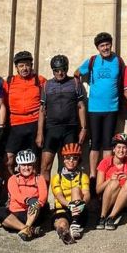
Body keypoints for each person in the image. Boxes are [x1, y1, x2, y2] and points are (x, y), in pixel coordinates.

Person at [76, 32, 125, 180]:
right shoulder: (92, 61)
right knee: (95, 143)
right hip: (94, 109)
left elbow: (124, 80)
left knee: (108, 144)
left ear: (111, 44)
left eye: (107, 44)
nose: (105, 48)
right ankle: (93, 175)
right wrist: (79, 92)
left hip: (112, 108)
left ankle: (105, 175)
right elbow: (77, 73)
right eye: (102, 46)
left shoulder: (118, 60)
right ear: (98, 48)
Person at [38, 54, 87, 184]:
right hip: (51, 130)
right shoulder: (46, 85)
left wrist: (83, 129)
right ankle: (43, 201)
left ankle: (69, 201)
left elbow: (81, 107)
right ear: (52, 70)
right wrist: (40, 133)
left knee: (71, 166)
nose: (60, 73)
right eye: (57, 70)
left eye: (63, 70)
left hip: (70, 129)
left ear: (67, 68)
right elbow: (42, 111)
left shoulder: (75, 83)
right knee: (45, 166)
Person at [3, 50, 47, 172]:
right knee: (9, 159)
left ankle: (34, 187)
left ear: (31, 66)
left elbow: (45, 104)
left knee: (34, 160)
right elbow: (2, 103)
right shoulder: (9, 81)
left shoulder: (40, 80)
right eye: (21, 65)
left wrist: (40, 132)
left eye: (27, 65)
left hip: (34, 123)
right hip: (15, 124)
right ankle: (12, 187)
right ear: (16, 67)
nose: (25, 68)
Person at [0, 149, 48, 241]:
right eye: (23, 165)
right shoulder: (13, 179)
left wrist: (36, 203)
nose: (26, 168)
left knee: (37, 204)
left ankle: (25, 228)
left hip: (33, 213)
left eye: (29, 165)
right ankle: (28, 229)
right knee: (0, 211)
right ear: (18, 166)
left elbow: (43, 195)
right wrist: (28, 200)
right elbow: (16, 195)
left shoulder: (39, 178)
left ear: (33, 165)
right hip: (16, 213)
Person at [49, 143, 90, 244]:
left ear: (78, 160)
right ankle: (64, 232)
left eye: (74, 158)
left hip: (79, 211)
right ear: (63, 159)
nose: (71, 161)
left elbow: (86, 193)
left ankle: (75, 222)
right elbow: (58, 195)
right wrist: (69, 205)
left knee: (76, 189)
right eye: (68, 158)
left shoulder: (83, 176)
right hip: (63, 209)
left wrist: (82, 203)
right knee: (62, 223)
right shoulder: (56, 177)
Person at [96, 133, 127, 230]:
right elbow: (98, 190)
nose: (121, 150)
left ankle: (111, 217)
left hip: (125, 198)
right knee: (114, 182)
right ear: (113, 149)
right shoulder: (105, 162)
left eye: (124, 148)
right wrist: (109, 180)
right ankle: (102, 216)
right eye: (118, 147)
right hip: (108, 197)